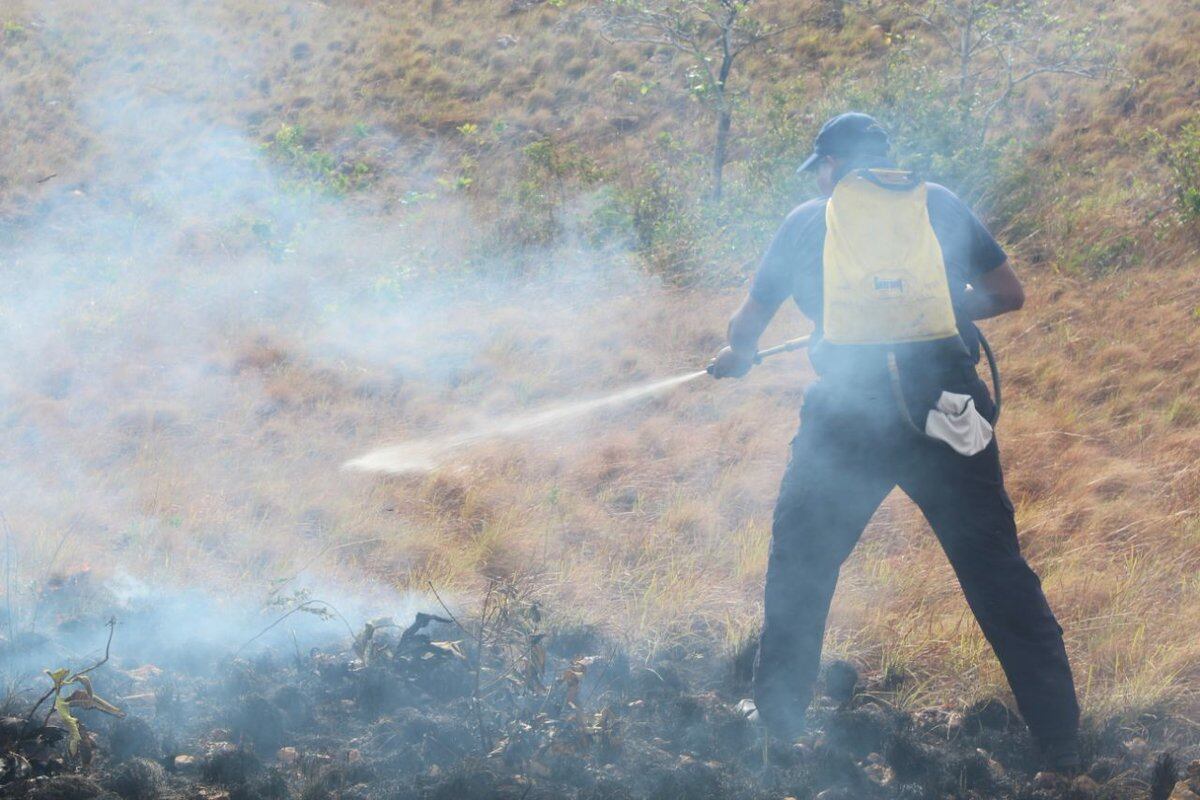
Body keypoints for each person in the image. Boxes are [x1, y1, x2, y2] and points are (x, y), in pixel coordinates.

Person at [709, 112, 1080, 770]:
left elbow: (747, 328)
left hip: (847, 419)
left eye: (820, 168)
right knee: (996, 575)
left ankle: (780, 726)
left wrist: (738, 355)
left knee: (803, 564)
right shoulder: (939, 204)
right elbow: (1007, 293)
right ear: (884, 159)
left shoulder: (809, 220)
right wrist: (939, 305)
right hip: (945, 406)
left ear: (831, 166)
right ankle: (1061, 740)